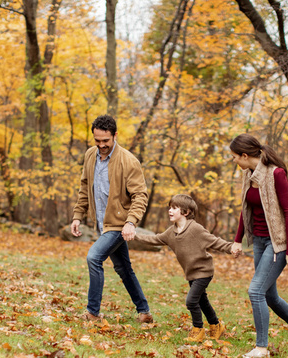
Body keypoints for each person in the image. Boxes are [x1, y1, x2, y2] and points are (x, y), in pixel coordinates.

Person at [229, 134, 288, 358]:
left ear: (245, 156)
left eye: (235, 157)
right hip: (259, 240)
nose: (234, 161)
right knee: (269, 295)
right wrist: (238, 239)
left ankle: (261, 348)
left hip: (278, 244)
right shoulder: (248, 175)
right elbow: (245, 209)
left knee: (255, 290)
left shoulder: (276, 174)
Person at [70, 115, 153, 323]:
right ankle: (144, 312)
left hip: (119, 224)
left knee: (94, 257)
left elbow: (140, 195)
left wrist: (131, 222)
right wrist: (78, 216)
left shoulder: (128, 161)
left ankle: (93, 313)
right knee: (123, 268)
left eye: (105, 141)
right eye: (97, 140)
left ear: (115, 136)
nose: (101, 145)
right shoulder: (90, 155)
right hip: (102, 223)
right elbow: (84, 187)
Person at [133, 194, 231, 342]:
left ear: (185, 212)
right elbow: (154, 239)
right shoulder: (170, 232)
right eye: (169, 208)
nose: (170, 211)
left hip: (204, 271)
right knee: (202, 301)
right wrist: (135, 235)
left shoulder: (195, 229)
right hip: (191, 272)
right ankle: (216, 326)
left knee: (191, 301)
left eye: (174, 208)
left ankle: (198, 330)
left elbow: (215, 242)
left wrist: (232, 248)